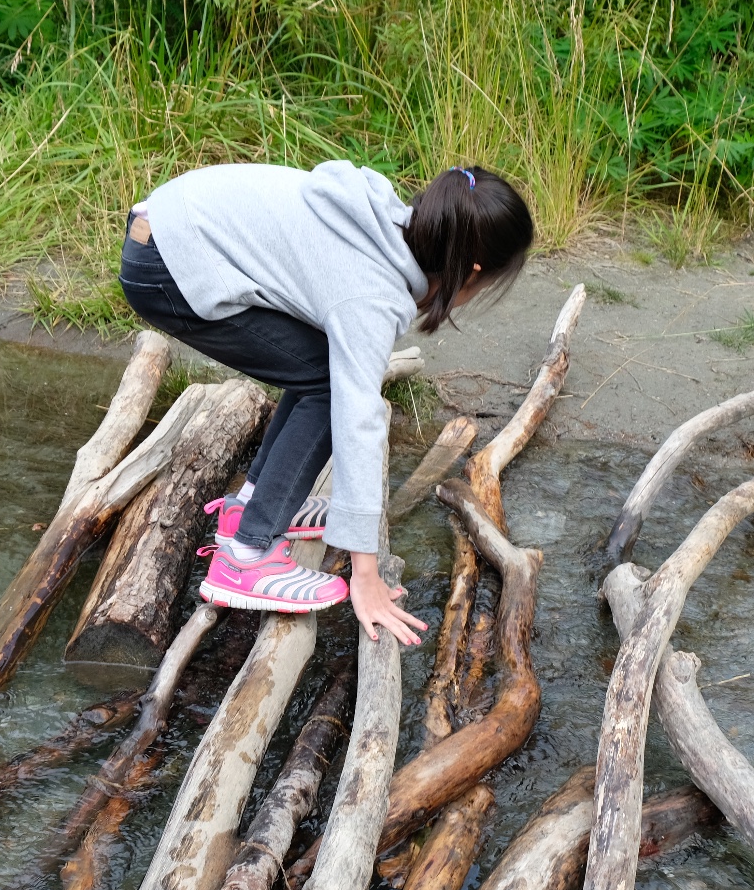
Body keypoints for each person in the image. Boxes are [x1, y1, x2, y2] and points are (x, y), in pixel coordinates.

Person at [118, 161, 532, 646]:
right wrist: (366, 575)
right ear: (474, 269)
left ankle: (252, 508)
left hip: (166, 225)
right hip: (167, 262)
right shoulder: (370, 293)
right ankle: (245, 556)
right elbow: (357, 419)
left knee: (317, 364)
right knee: (330, 385)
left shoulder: (385, 229)